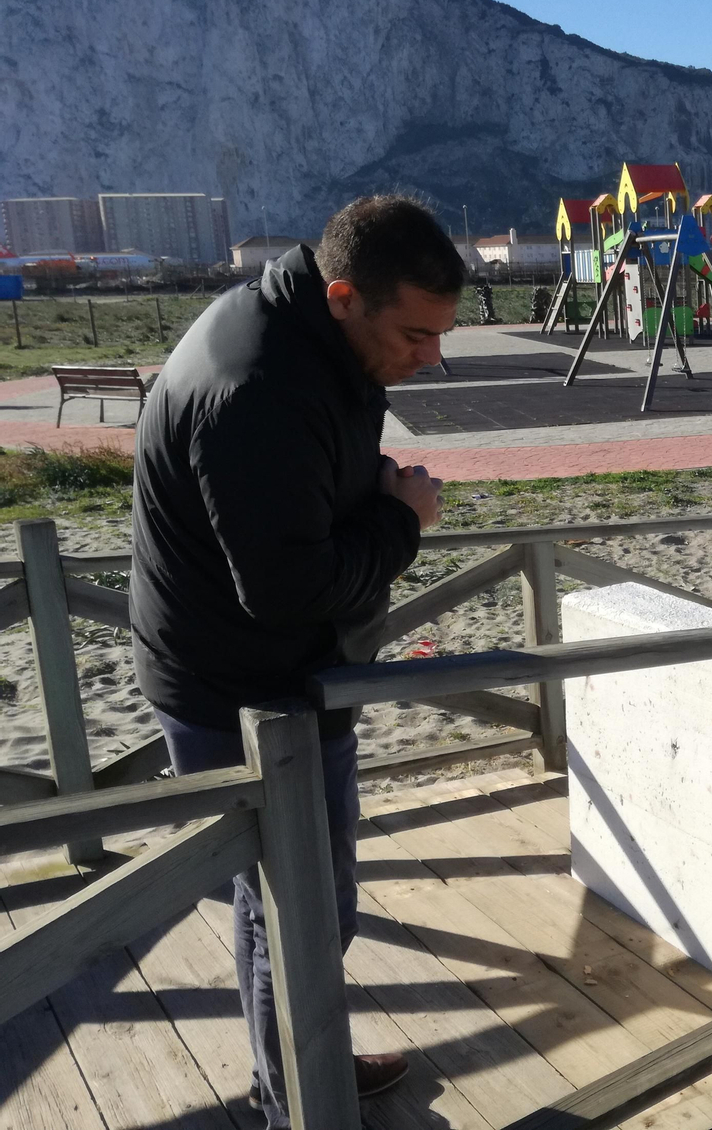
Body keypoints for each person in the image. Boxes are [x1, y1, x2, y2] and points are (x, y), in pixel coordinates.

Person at [130, 195, 464, 1128]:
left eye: (439, 336)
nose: (428, 357)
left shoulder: (314, 333)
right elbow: (287, 589)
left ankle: (305, 1053)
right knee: (296, 911)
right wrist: (402, 518)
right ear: (345, 293)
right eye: (414, 335)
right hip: (248, 692)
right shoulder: (260, 386)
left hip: (279, 673)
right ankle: (299, 1104)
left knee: (298, 904)